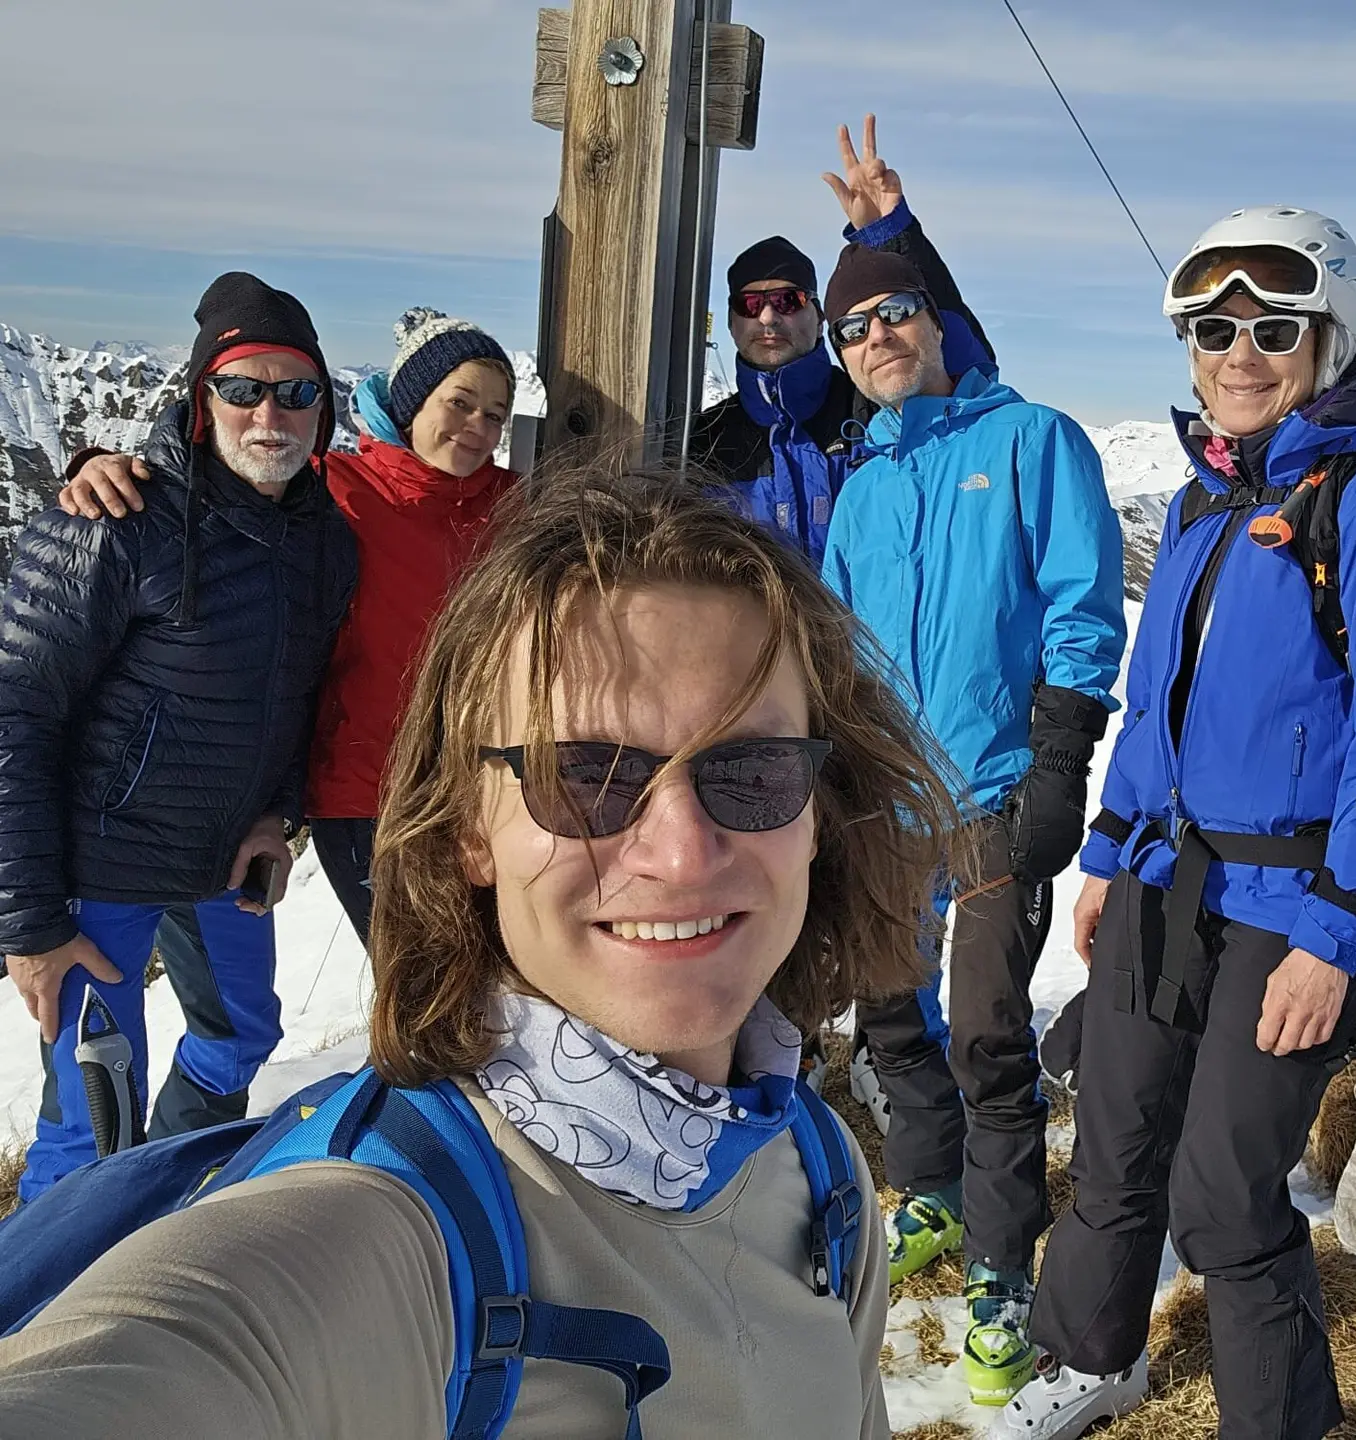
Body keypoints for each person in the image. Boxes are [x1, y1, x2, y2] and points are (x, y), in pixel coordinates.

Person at [0, 471, 960, 1439]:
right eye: (581, 776)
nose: (681, 854)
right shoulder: (399, 1234)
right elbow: (184, 1355)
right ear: (469, 827)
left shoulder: (822, 1175)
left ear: (817, 814)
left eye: (751, 772)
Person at [993, 207, 1356, 1439]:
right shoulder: (1210, 505)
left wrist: (1339, 930)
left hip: (1294, 902)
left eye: (1272, 328)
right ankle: (1089, 1353)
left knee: (1222, 1195)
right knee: (1111, 1143)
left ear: (1329, 338)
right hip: (1163, 883)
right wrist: (1107, 855)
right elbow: (1155, 710)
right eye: (1214, 330)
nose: (1238, 353)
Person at [817, 243, 1127, 1405]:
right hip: (884, 801)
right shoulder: (863, 487)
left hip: (997, 790)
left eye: (893, 314)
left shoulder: (1031, 440)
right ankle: (932, 1191)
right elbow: (839, 644)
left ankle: (1001, 1265)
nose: (875, 339)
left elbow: (1081, 599)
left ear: (938, 323)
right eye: (854, 329)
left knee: (989, 1036)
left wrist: (1060, 753)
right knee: (889, 1014)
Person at [0, 273, 358, 1199]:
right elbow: (13, 709)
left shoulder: (323, 541)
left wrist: (274, 817)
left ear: (324, 406)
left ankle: (162, 1199)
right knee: (93, 1114)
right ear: (202, 402)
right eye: (242, 388)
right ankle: (48, 1319)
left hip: (217, 861)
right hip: (99, 868)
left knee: (240, 1036)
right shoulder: (114, 518)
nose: (268, 412)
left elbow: (297, 693)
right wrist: (32, 925)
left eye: (296, 389)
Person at [59, 308, 520, 944]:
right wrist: (102, 466)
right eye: (460, 402)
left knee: (497, 980)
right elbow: (224, 489)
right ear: (412, 405)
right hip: (365, 792)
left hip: (485, 787)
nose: (477, 427)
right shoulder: (333, 489)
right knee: (425, 986)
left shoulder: (518, 507)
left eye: (494, 415)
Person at [691, 114, 992, 565]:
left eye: (789, 300)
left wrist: (891, 235)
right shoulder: (703, 444)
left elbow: (961, 369)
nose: (769, 316)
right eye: (751, 305)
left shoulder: (878, 408)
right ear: (733, 322)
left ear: (817, 316)